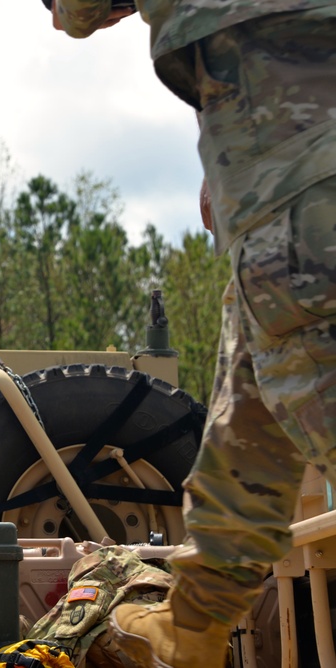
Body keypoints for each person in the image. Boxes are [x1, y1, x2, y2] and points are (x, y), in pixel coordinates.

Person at [49, 3, 336, 666]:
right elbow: (249, 441)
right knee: (253, 406)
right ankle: (191, 629)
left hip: (297, 166)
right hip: (277, 170)